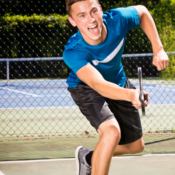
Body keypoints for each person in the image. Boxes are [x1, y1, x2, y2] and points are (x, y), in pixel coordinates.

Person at [63, 0, 169, 174]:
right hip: (86, 87)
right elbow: (98, 84)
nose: (91, 20)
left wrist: (158, 49)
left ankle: (89, 158)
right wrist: (130, 95)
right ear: (73, 21)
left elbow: (142, 12)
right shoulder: (73, 51)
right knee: (112, 132)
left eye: (93, 11)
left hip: (118, 81)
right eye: (81, 16)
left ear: (101, 10)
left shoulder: (117, 19)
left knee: (136, 146)